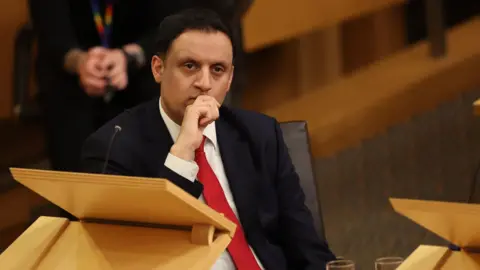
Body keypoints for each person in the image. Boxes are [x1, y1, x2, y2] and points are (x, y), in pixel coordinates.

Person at [81, 8, 336, 270]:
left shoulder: (259, 133)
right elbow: (138, 253)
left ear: (230, 80)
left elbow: (308, 247)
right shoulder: (114, 147)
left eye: (217, 70)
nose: (204, 83)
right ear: (158, 69)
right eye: (189, 66)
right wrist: (182, 153)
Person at [28, 0, 189, 173]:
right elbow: (51, 32)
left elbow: (173, 25)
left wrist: (130, 57)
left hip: (145, 72)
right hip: (70, 83)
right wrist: (80, 62)